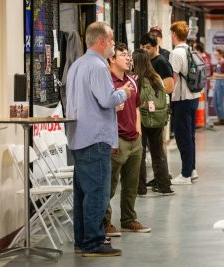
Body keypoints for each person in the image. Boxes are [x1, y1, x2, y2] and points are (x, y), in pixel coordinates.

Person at [66, 22, 133, 257]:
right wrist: (123, 91)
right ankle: (94, 242)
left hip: (78, 137)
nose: (114, 45)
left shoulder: (77, 65)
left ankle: (82, 241)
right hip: (95, 138)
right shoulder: (97, 66)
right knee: (97, 192)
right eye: (113, 40)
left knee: (83, 193)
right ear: (102, 41)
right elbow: (107, 99)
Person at [104, 43, 151, 236]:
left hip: (134, 140)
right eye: (123, 55)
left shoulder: (132, 80)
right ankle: (104, 222)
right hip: (117, 140)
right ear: (112, 59)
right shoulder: (107, 81)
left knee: (131, 185)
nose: (128, 58)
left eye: (128, 55)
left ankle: (129, 219)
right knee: (109, 186)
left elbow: (138, 107)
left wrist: (138, 130)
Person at [132, 48, 175, 197]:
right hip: (157, 119)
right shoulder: (156, 77)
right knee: (159, 154)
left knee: (140, 154)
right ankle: (164, 187)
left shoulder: (135, 78)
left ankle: (141, 189)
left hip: (142, 120)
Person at [168, 21, 200, 185]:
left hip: (181, 100)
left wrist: (166, 92)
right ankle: (192, 169)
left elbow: (172, 80)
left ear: (174, 34)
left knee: (182, 137)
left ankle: (186, 174)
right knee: (190, 136)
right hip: (194, 97)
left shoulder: (176, 53)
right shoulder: (190, 50)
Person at [212, 49, 224, 126]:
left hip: (222, 84)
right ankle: (219, 118)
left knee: (220, 102)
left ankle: (222, 120)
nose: (215, 56)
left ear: (220, 54)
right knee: (215, 102)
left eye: (216, 55)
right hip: (217, 83)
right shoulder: (219, 63)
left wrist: (216, 75)